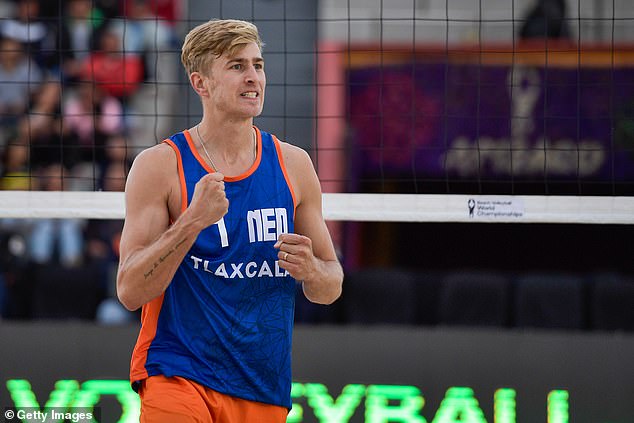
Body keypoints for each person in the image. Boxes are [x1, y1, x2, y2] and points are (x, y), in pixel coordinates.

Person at [116, 18, 343, 422]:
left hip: (261, 383)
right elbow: (131, 291)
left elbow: (330, 286)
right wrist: (191, 222)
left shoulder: (294, 164)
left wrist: (311, 270)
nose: (253, 77)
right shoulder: (161, 166)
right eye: (237, 66)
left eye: (257, 64)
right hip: (178, 371)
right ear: (201, 83)